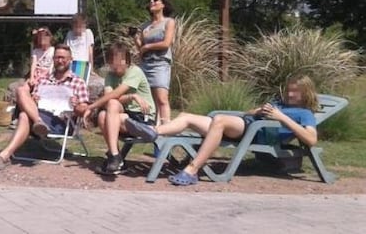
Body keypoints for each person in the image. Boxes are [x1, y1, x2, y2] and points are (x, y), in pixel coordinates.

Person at [127, 75, 320, 186]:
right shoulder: (279, 102)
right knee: (186, 116)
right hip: (245, 124)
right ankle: (153, 131)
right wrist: (260, 110)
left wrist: (281, 117)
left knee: (218, 120)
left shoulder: (304, 113)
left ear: (306, 93)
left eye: (295, 91)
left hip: (255, 133)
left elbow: (311, 140)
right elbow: (248, 113)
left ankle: (192, 170)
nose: (290, 94)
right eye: (288, 89)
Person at [0, 44, 89, 171]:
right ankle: (6, 153)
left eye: (63, 58)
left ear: (70, 59)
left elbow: (84, 109)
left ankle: (3, 156)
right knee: (21, 91)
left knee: (24, 115)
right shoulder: (44, 80)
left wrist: (77, 105)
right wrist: (34, 99)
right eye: (56, 58)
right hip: (40, 115)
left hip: (61, 122)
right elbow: (33, 100)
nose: (60, 61)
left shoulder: (78, 82)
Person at [82, 42, 156, 175]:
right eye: (111, 61)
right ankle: (116, 157)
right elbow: (110, 97)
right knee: (103, 114)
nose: (114, 66)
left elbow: (116, 94)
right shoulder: (110, 76)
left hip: (143, 117)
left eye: (118, 61)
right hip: (125, 116)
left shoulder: (135, 72)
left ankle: (114, 157)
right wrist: (131, 97)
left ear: (126, 61)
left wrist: (92, 106)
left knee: (111, 106)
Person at [134, 0, 175, 125]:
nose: (152, 1)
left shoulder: (169, 22)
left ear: (163, 4)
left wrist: (148, 47)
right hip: (145, 63)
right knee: (149, 98)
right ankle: (153, 127)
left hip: (160, 63)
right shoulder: (145, 26)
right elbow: (141, 48)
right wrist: (136, 38)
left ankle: (166, 128)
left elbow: (166, 43)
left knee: (162, 99)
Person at [64, 13, 94, 80]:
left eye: (81, 25)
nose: (78, 27)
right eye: (76, 25)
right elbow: (66, 50)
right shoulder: (69, 34)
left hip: (83, 64)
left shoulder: (88, 33)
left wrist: (91, 69)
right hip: (71, 63)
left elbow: (90, 53)